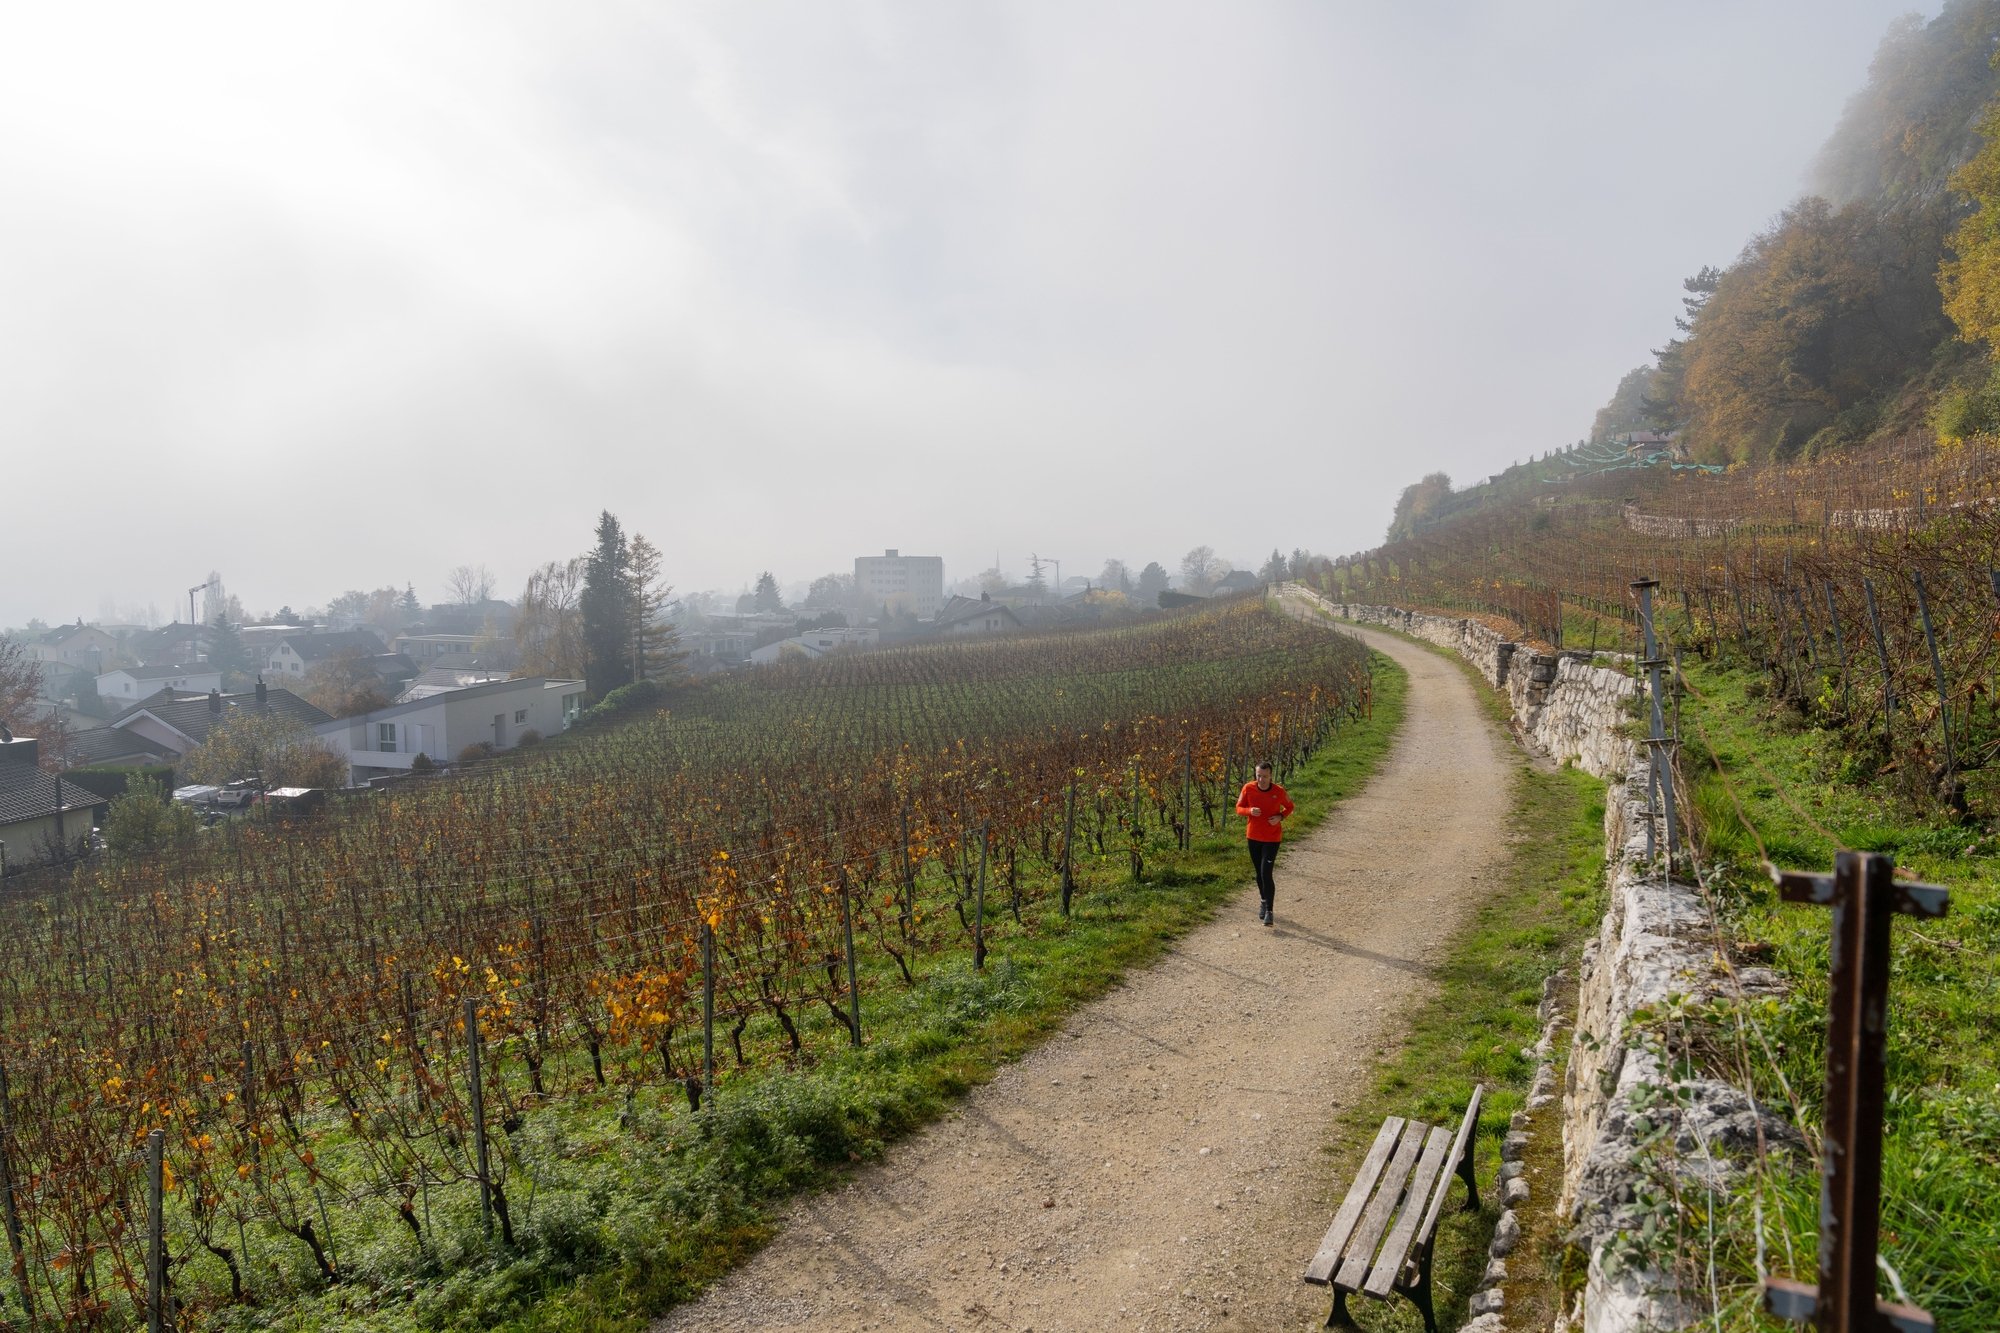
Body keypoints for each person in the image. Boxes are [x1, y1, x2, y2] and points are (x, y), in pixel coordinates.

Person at [1236, 762, 1294, 926]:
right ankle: (1263, 900)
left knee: (1266, 873)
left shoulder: (1279, 791)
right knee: (1258, 873)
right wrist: (1249, 811)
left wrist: (1280, 817)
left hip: (1272, 838)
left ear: (1271, 776)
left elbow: (1290, 807)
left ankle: (1269, 911)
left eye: (1265, 776)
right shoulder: (1248, 788)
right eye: (1258, 776)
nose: (1261, 779)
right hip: (1253, 837)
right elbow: (1239, 808)